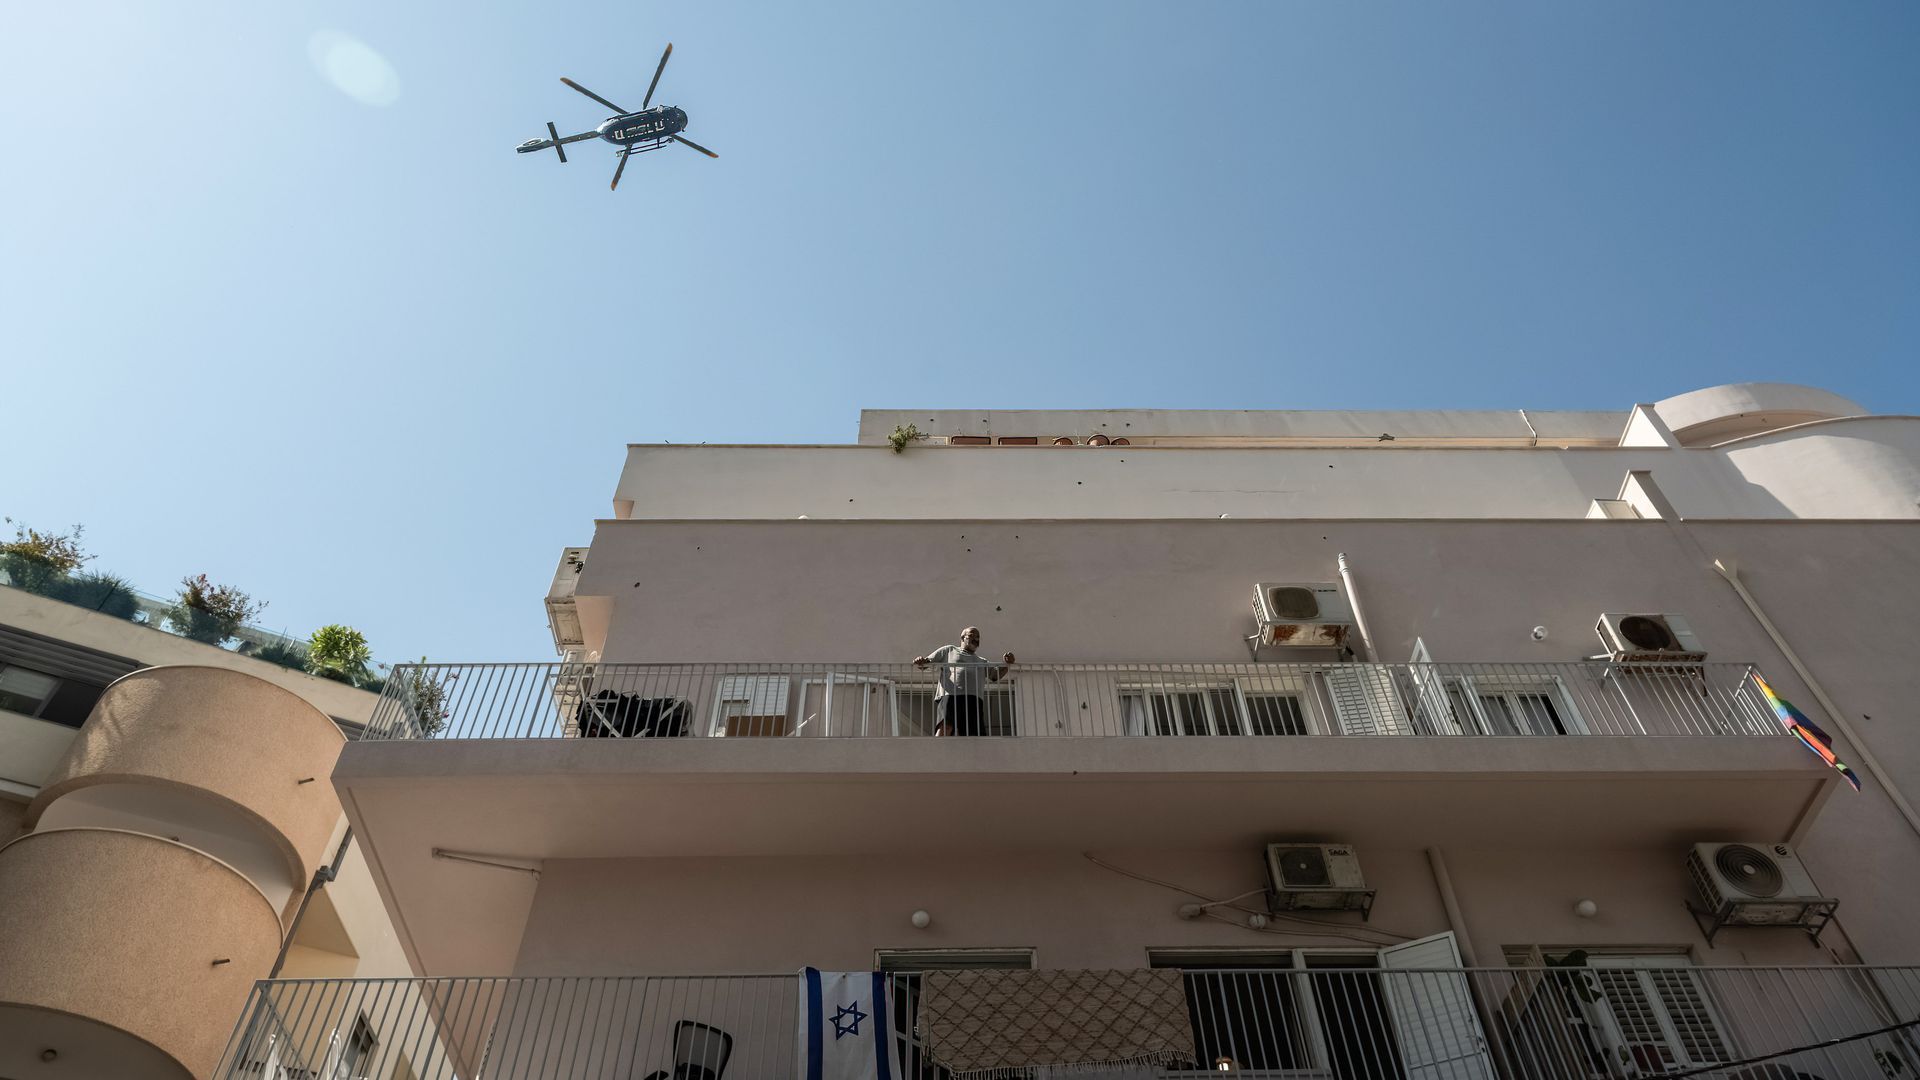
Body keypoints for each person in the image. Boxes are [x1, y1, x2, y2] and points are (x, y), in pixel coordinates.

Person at [912, 627, 1015, 736]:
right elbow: (926, 663)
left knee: (974, 733)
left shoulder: (982, 661)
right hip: (950, 695)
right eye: (972, 635)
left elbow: (995, 675)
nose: (975, 639)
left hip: (973, 699)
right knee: (945, 725)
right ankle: (937, 749)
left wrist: (1007, 664)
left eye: (978, 637)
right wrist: (920, 661)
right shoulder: (949, 650)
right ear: (962, 638)